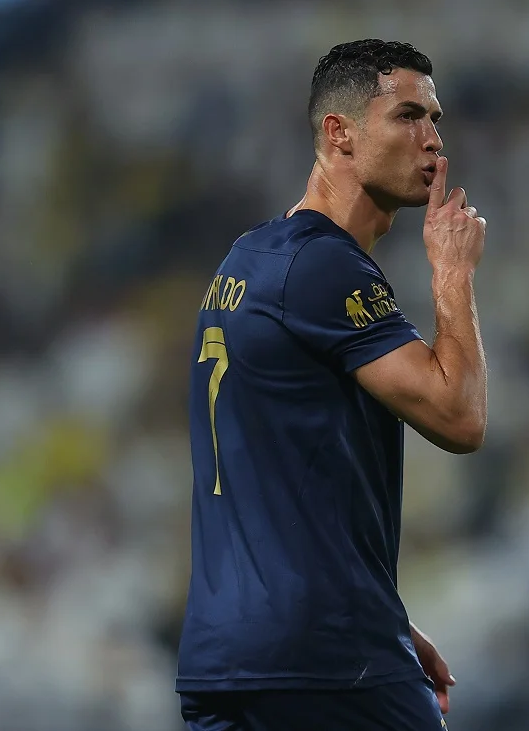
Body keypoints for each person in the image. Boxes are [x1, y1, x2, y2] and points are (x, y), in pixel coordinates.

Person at [176, 38, 488, 731]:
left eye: (435, 120)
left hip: (227, 660)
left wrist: (386, 616)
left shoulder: (248, 259)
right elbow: (459, 416)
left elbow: (282, 483)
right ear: (339, 133)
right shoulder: (324, 266)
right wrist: (452, 274)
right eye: (408, 116)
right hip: (326, 659)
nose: (434, 140)